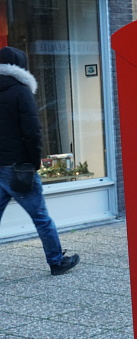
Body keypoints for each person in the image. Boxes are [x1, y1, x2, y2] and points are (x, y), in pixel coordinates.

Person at [0, 46, 79, 276]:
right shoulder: (20, 91)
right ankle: (56, 262)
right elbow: (32, 132)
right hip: (18, 168)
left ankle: (56, 259)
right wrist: (34, 163)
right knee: (41, 218)